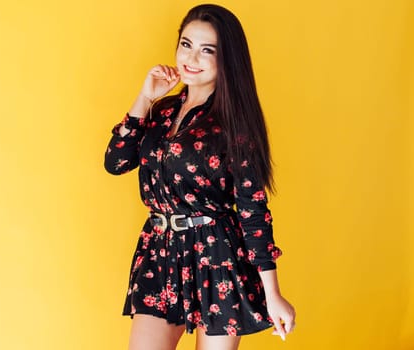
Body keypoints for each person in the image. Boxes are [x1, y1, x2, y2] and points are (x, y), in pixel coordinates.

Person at [104, 4, 295, 350]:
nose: (191, 57)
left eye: (207, 50)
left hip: (217, 256)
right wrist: (145, 97)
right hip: (159, 254)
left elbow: (253, 212)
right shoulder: (161, 111)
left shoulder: (233, 125)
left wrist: (273, 294)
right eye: (186, 44)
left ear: (227, 60)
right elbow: (116, 161)